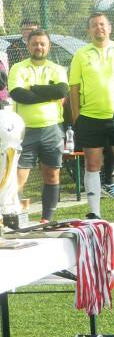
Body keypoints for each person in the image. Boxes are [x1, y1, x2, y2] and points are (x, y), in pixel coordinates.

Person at [69, 13, 114, 220]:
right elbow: (74, 88)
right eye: (94, 25)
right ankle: (94, 212)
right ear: (88, 30)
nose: (99, 28)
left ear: (110, 27)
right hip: (90, 118)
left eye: (102, 24)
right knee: (92, 164)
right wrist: (77, 118)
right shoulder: (80, 54)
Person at [8, 29, 68, 222]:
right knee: (18, 177)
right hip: (24, 131)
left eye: (42, 44)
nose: (38, 47)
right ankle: (15, 217)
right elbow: (19, 95)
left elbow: (61, 90)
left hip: (52, 129)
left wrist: (33, 88)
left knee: (52, 175)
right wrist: (49, 94)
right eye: (35, 44)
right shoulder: (18, 68)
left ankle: (46, 219)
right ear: (28, 46)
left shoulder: (57, 69)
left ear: (48, 46)